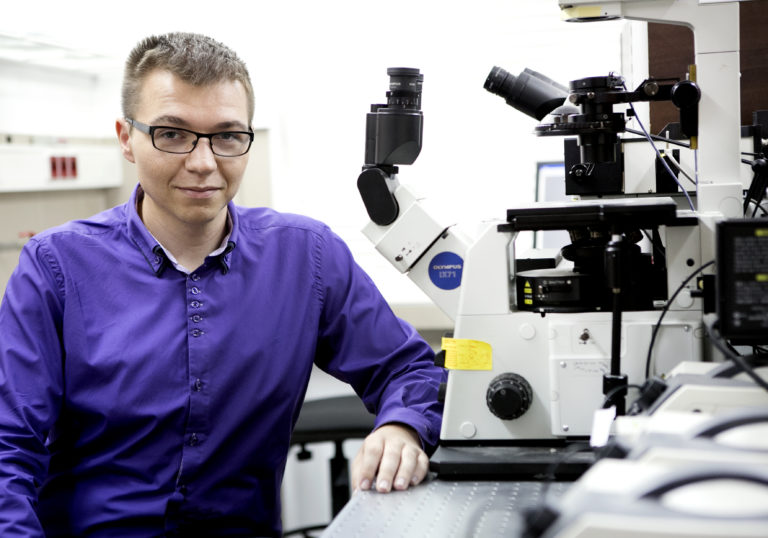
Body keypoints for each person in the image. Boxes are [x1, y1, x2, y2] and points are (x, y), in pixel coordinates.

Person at [0, 32, 445, 536]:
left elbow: (407, 368)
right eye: (172, 134)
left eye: (228, 136)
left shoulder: (307, 256)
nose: (203, 162)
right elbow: (8, 448)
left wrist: (402, 426)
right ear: (126, 138)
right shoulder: (55, 267)